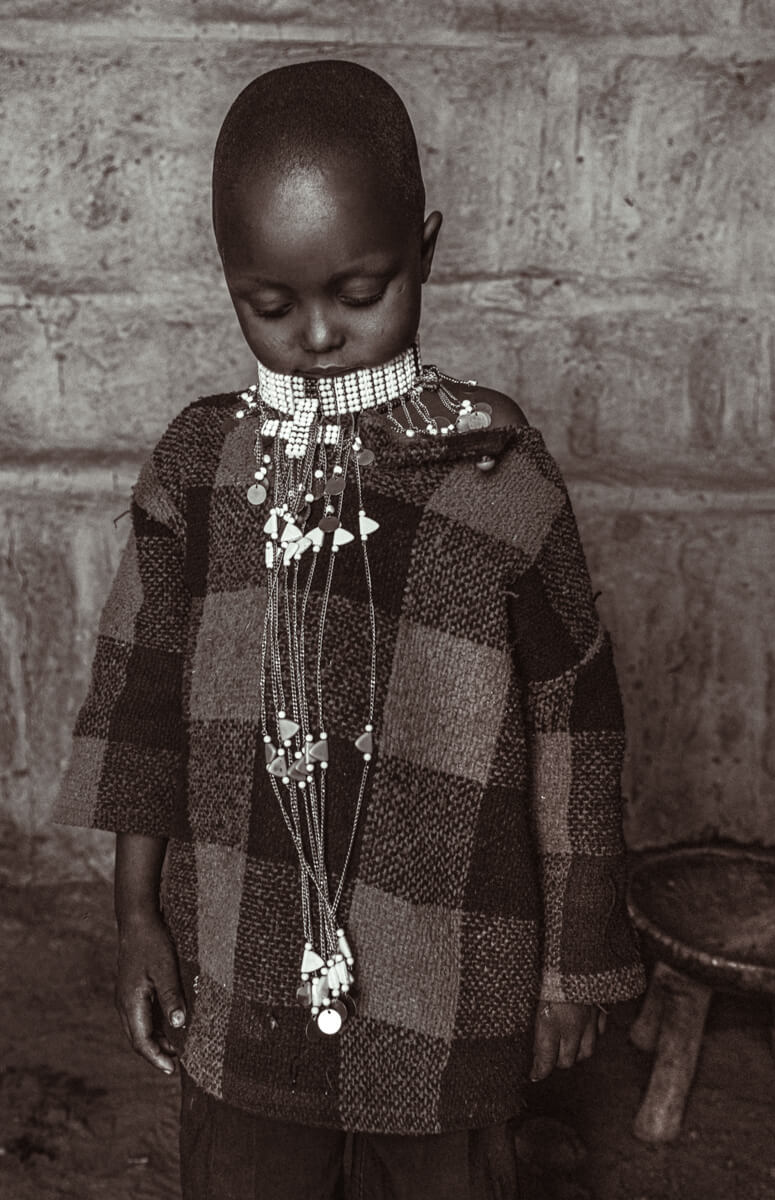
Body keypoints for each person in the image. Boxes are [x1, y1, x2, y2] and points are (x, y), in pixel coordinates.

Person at [55, 59, 645, 1199]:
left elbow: (580, 733)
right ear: (229, 283)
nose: (318, 336)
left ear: (424, 253)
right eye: (268, 308)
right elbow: (139, 710)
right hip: (240, 976)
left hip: (451, 984)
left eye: (362, 292)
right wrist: (135, 916)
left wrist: (577, 966)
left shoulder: (501, 482)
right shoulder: (198, 468)